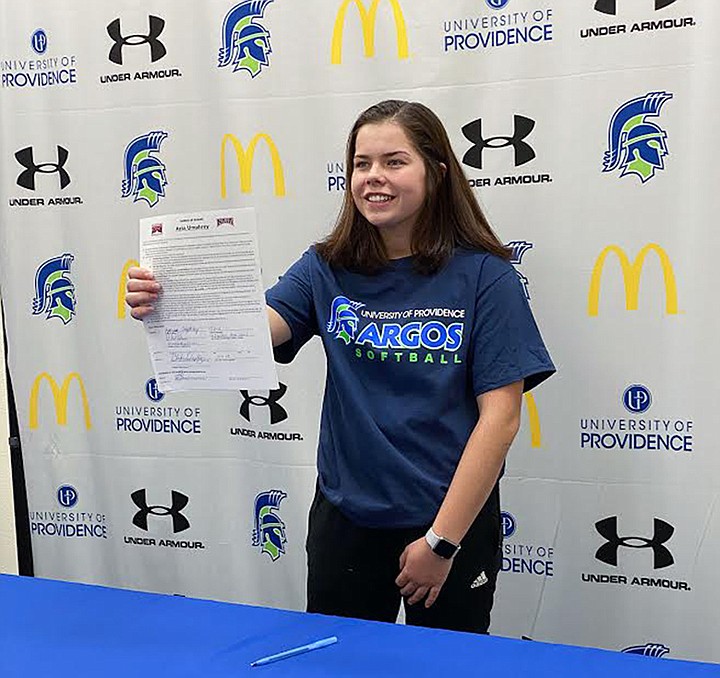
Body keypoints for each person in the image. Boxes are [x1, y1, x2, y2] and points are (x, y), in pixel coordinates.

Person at [126, 99, 555, 634]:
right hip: (347, 519)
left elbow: (501, 420)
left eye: (395, 162)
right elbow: (250, 331)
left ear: (437, 173)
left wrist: (441, 543)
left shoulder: (486, 278)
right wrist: (165, 301)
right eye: (362, 163)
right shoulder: (326, 268)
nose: (374, 177)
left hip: (450, 522)